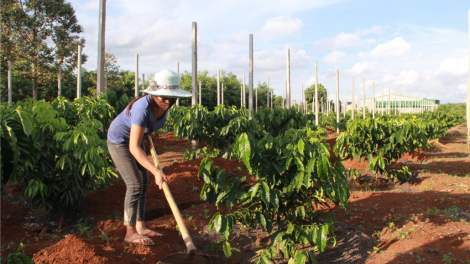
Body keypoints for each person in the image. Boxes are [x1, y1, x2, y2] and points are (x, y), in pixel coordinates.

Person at [107, 69, 192, 245]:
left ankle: (140, 226)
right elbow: (133, 147)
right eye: (162, 97)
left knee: (143, 182)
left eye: (171, 97)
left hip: (137, 140)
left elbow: (147, 127)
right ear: (154, 94)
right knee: (135, 183)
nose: (167, 101)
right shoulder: (141, 108)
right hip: (120, 141)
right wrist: (156, 171)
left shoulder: (164, 105)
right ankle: (129, 233)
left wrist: (148, 133)